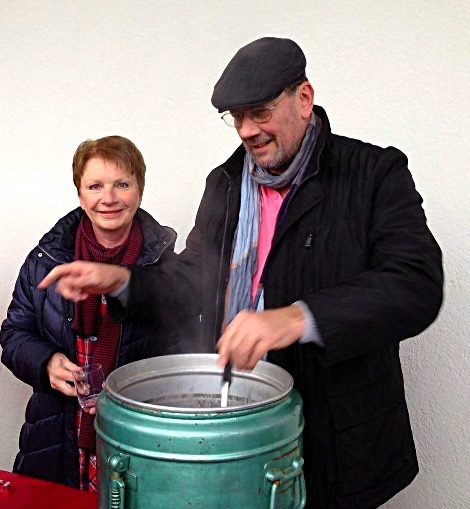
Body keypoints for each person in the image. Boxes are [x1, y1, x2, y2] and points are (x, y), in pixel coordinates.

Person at [39, 38, 443, 508]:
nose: (247, 130)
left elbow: (415, 283)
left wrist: (297, 318)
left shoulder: (373, 173)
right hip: (237, 434)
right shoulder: (225, 183)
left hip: (338, 442)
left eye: (260, 112)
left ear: (304, 99)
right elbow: (192, 279)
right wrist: (123, 281)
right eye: (236, 117)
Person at [0, 135, 194, 491]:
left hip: (137, 440)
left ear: (139, 190)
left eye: (122, 184)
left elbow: (186, 361)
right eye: (95, 186)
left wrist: (131, 397)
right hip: (56, 437)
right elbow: (13, 335)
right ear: (80, 194)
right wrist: (45, 362)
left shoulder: (170, 269)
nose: (109, 198)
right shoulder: (46, 260)